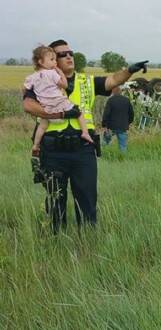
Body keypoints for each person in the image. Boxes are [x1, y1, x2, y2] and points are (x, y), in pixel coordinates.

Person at [23, 39, 148, 233]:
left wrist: (130, 70)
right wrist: (60, 114)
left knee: (87, 199)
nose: (69, 56)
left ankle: (87, 243)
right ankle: (54, 242)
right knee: (55, 200)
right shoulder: (41, 79)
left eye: (70, 53)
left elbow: (113, 80)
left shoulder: (86, 81)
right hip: (53, 150)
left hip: (83, 149)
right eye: (62, 54)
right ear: (52, 60)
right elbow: (28, 105)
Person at [25, 45, 93, 157]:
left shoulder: (33, 77)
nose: (55, 62)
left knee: (42, 126)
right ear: (41, 62)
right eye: (52, 60)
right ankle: (85, 133)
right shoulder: (52, 73)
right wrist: (60, 72)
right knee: (79, 112)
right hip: (60, 105)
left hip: (46, 109)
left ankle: (36, 145)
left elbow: (25, 88)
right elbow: (64, 85)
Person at [102, 86, 134, 152]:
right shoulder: (126, 100)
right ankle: (122, 159)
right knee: (123, 146)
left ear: (113, 92)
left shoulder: (110, 100)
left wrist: (104, 125)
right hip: (123, 126)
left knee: (105, 143)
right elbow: (131, 113)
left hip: (111, 126)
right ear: (121, 92)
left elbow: (106, 114)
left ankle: (104, 155)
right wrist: (128, 123)